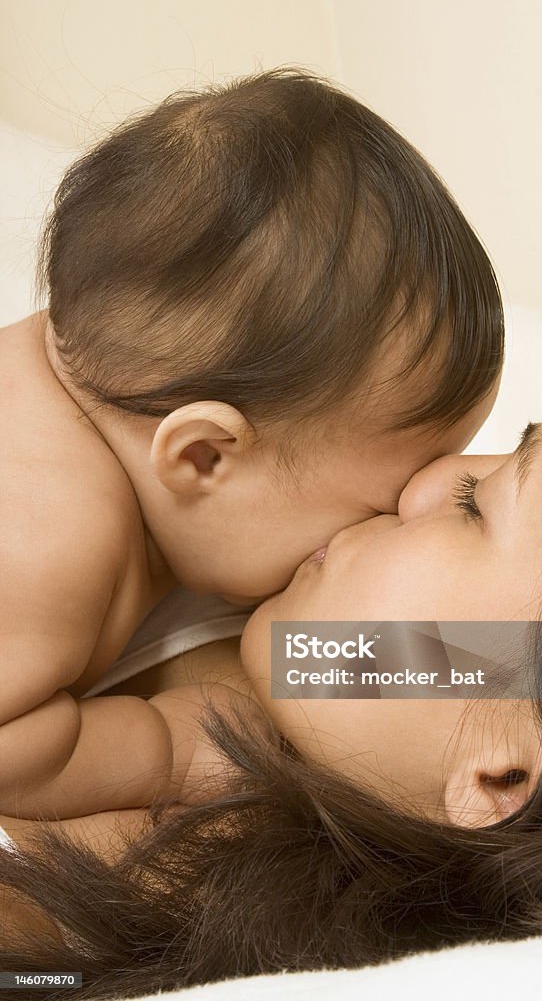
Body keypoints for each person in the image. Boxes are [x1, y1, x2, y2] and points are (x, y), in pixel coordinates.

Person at [0, 386, 542, 1000]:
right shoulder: (248, 593)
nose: (424, 480)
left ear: (498, 777)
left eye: (474, 507)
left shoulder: (194, 887)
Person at [0, 68, 503, 822]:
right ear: (202, 455)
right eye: (373, 501)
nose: (417, 498)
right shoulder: (45, 542)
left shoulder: (101, 383)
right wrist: (165, 750)